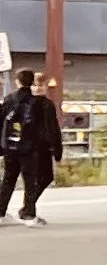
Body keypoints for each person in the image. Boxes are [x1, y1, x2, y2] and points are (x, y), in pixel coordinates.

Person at [0, 73, 57, 224]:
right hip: (30, 148)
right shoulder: (39, 102)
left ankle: (0, 212)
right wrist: (56, 150)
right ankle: (29, 215)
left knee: (8, 179)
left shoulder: (9, 99)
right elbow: (49, 129)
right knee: (30, 180)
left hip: (10, 146)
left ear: (17, 82)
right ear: (32, 83)